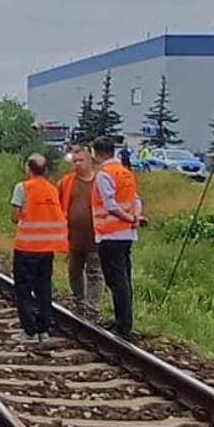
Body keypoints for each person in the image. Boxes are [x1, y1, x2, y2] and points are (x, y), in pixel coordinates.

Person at [9, 153, 66, 345]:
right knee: (44, 289)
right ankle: (44, 329)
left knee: (24, 290)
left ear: (28, 169)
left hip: (26, 247)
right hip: (46, 248)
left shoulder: (22, 187)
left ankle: (29, 331)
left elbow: (15, 217)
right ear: (46, 170)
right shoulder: (52, 189)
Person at [92, 135, 144, 340]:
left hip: (110, 234)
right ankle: (122, 320)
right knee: (124, 279)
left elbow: (110, 205)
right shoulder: (125, 172)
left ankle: (123, 326)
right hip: (127, 234)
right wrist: (136, 218)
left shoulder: (104, 174)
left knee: (116, 281)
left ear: (97, 153)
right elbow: (136, 199)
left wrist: (130, 217)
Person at [57, 146, 106, 321]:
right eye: (74, 161)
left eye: (80, 160)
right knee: (74, 271)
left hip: (96, 236)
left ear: (90, 160)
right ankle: (79, 301)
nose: (77, 164)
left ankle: (92, 307)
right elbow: (57, 204)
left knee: (95, 272)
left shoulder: (100, 181)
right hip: (73, 237)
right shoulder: (66, 182)